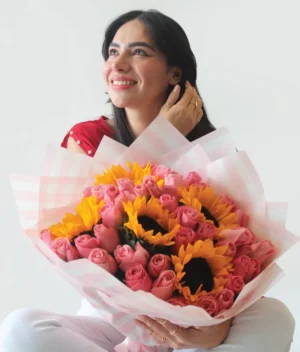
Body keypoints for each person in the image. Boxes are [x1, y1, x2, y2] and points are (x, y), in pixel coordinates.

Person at [0, 9, 295, 352]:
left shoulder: (212, 153)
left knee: (275, 316)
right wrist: (164, 137)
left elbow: (238, 252)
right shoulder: (88, 138)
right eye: (113, 51)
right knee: (22, 329)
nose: (119, 63)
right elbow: (88, 224)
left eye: (138, 52)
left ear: (175, 71)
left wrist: (216, 325)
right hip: (110, 318)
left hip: (193, 324)